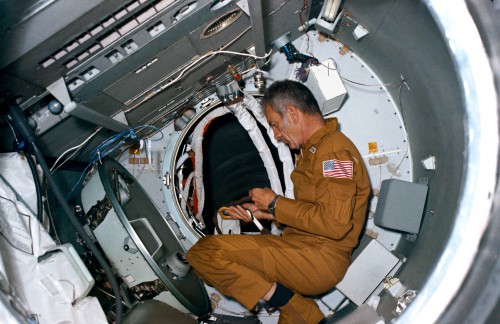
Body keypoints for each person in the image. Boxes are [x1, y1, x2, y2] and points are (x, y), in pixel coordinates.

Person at [185, 80, 370, 323]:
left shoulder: (334, 154)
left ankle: (291, 302)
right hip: (305, 249)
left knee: (204, 253)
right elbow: (316, 214)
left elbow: (334, 224)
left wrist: (275, 203)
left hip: (318, 259)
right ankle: (299, 312)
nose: (276, 135)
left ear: (292, 113)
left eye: (275, 125)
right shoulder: (315, 151)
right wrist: (266, 214)